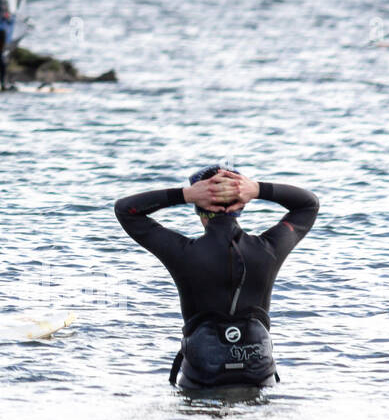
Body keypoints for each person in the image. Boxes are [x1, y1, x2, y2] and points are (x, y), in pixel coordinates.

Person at [114, 166, 319, 391]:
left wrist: (184, 194)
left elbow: (125, 210)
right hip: (258, 376)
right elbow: (308, 204)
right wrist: (258, 189)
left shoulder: (183, 253)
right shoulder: (268, 249)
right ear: (242, 204)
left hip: (201, 377)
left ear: (198, 208)